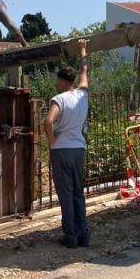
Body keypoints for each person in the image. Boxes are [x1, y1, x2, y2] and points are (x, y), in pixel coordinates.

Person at [45, 39, 90, 248]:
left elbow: (48, 121)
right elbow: (84, 70)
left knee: (66, 195)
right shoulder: (83, 95)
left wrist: (51, 139)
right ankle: (84, 235)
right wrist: (82, 49)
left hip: (62, 150)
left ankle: (70, 237)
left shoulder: (59, 99)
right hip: (79, 150)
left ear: (62, 81)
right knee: (78, 193)